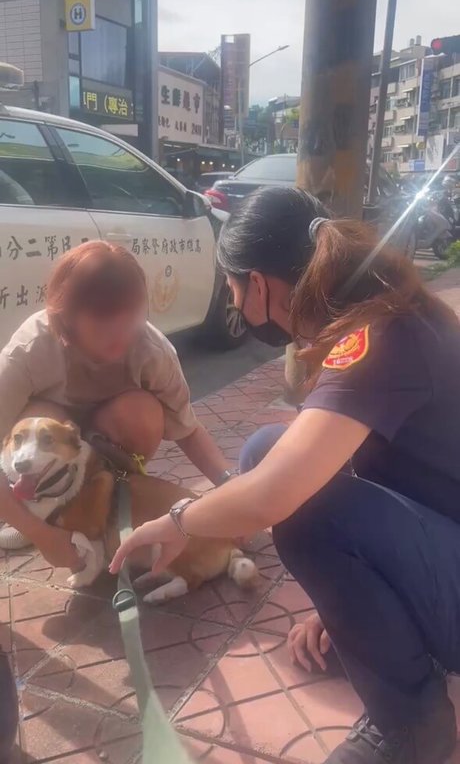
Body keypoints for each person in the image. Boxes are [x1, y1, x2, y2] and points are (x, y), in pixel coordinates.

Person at [111, 186, 460, 764]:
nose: (234, 300)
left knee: (300, 511)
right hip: (443, 535)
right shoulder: (388, 314)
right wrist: (341, 610)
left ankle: (411, 726)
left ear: (261, 283)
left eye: (232, 286)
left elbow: (275, 496)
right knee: (269, 449)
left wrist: (181, 521)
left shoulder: (374, 338)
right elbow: (314, 465)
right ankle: (395, 646)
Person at [0, 241, 232, 758]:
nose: (119, 335)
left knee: (143, 414)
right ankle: (34, 515)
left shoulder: (150, 351)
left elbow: (188, 431)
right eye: (103, 322)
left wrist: (235, 491)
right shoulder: (28, 350)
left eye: (129, 319)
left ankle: (105, 511)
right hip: (46, 448)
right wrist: (41, 535)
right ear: (66, 317)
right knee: (26, 424)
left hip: (105, 446)